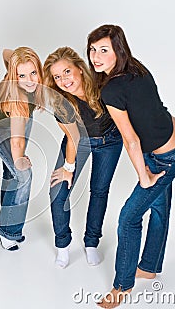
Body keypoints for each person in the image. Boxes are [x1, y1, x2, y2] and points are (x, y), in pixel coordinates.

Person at [87, 24, 175, 308]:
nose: (96, 56)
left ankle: (122, 287)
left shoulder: (112, 90)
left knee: (128, 218)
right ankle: (150, 265)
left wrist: (144, 176)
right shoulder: (136, 67)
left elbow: (130, 140)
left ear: (118, 50)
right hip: (171, 142)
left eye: (103, 50)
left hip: (167, 158)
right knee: (158, 207)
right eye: (93, 50)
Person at [43, 47, 123, 268]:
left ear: (80, 68)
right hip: (79, 143)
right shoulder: (61, 103)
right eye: (57, 77)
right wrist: (68, 167)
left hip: (110, 142)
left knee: (99, 191)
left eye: (67, 72)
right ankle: (62, 244)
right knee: (57, 192)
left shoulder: (102, 85)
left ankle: (91, 242)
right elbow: (73, 138)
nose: (63, 80)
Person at [0, 47, 44, 251]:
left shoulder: (16, 66)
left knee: (13, 173)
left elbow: (6, 52)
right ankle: (8, 231)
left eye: (33, 73)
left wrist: (15, 61)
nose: (29, 80)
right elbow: (16, 144)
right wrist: (21, 160)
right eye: (22, 75)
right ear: (14, 76)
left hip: (18, 119)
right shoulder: (19, 102)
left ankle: (7, 218)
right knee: (23, 175)